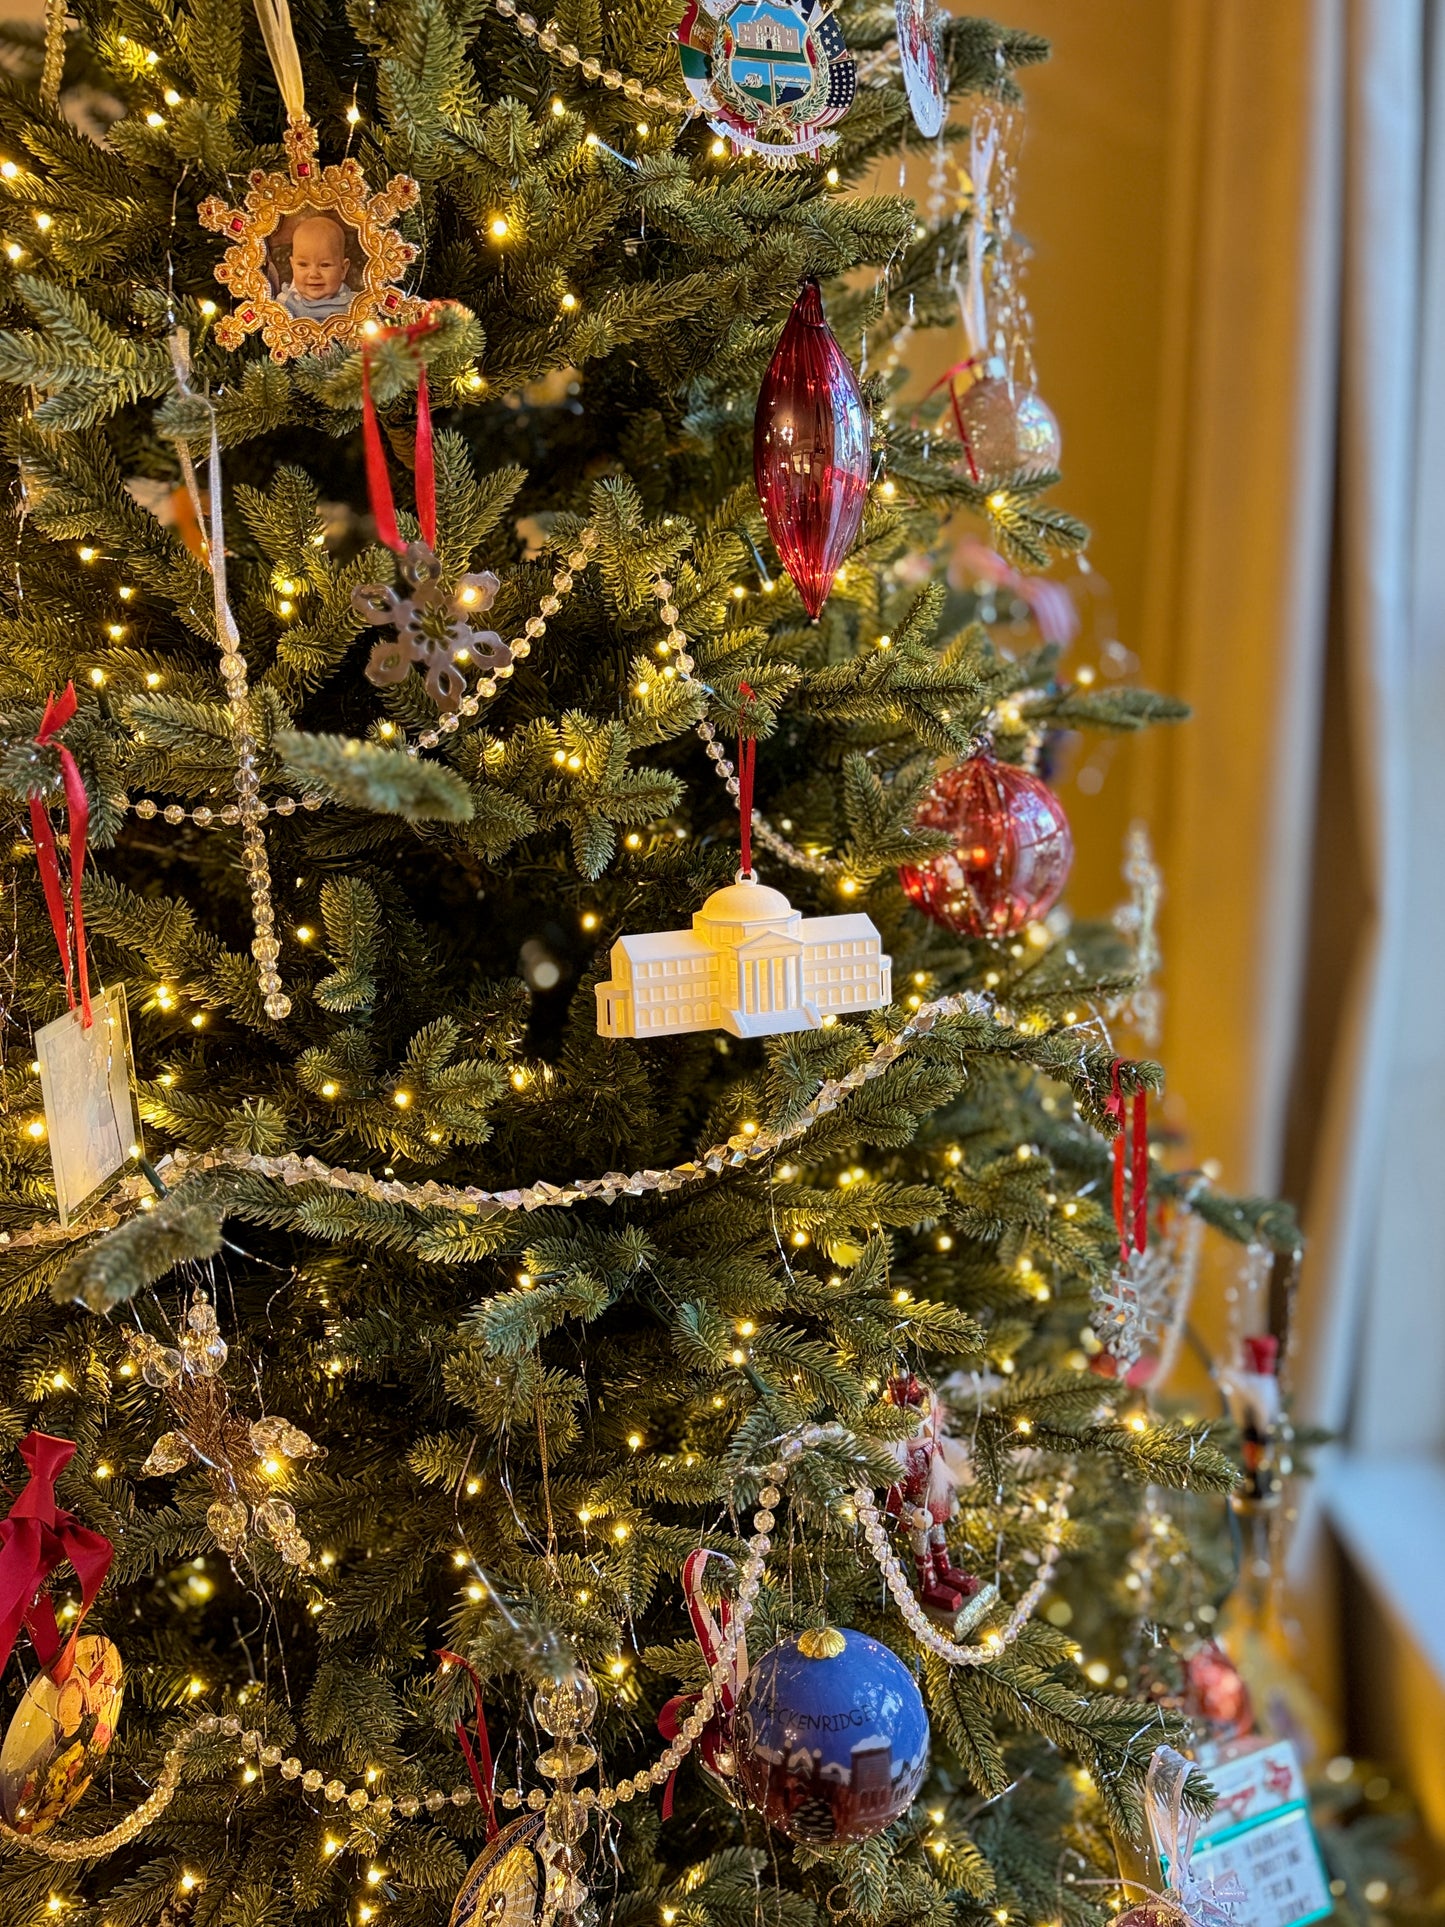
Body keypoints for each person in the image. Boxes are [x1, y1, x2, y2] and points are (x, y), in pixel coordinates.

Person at [276, 213, 356, 320]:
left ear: (343, 269)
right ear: (292, 266)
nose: (314, 274)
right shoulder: (285, 303)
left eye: (324, 265)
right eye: (303, 264)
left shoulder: (355, 305)